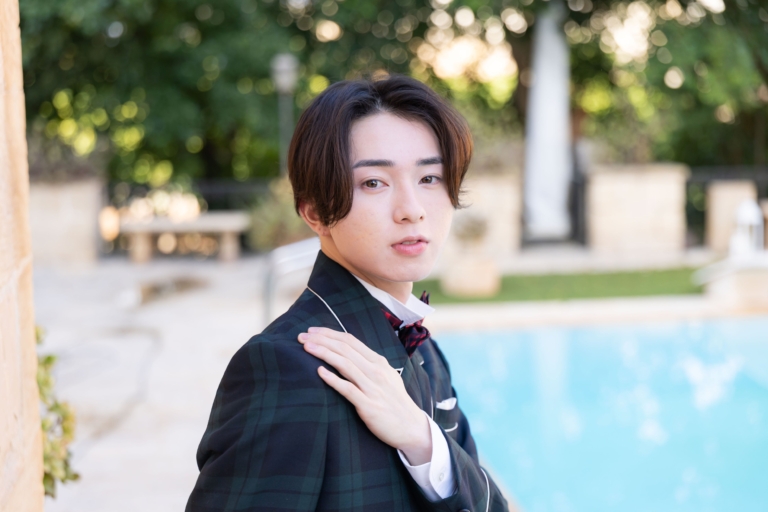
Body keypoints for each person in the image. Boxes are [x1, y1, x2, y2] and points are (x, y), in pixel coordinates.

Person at [186, 75, 508, 512]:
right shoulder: (285, 368)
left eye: (430, 177)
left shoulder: (425, 351)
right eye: (374, 182)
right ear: (315, 212)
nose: (412, 209)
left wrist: (422, 439)